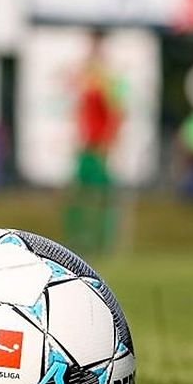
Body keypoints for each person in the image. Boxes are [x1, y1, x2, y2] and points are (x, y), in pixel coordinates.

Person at [64, 31, 124, 255]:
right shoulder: (87, 75)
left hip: (98, 145)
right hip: (86, 143)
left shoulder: (106, 78)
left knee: (101, 195)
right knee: (79, 194)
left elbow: (114, 112)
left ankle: (102, 240)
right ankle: (80, 237)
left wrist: (110, 140)